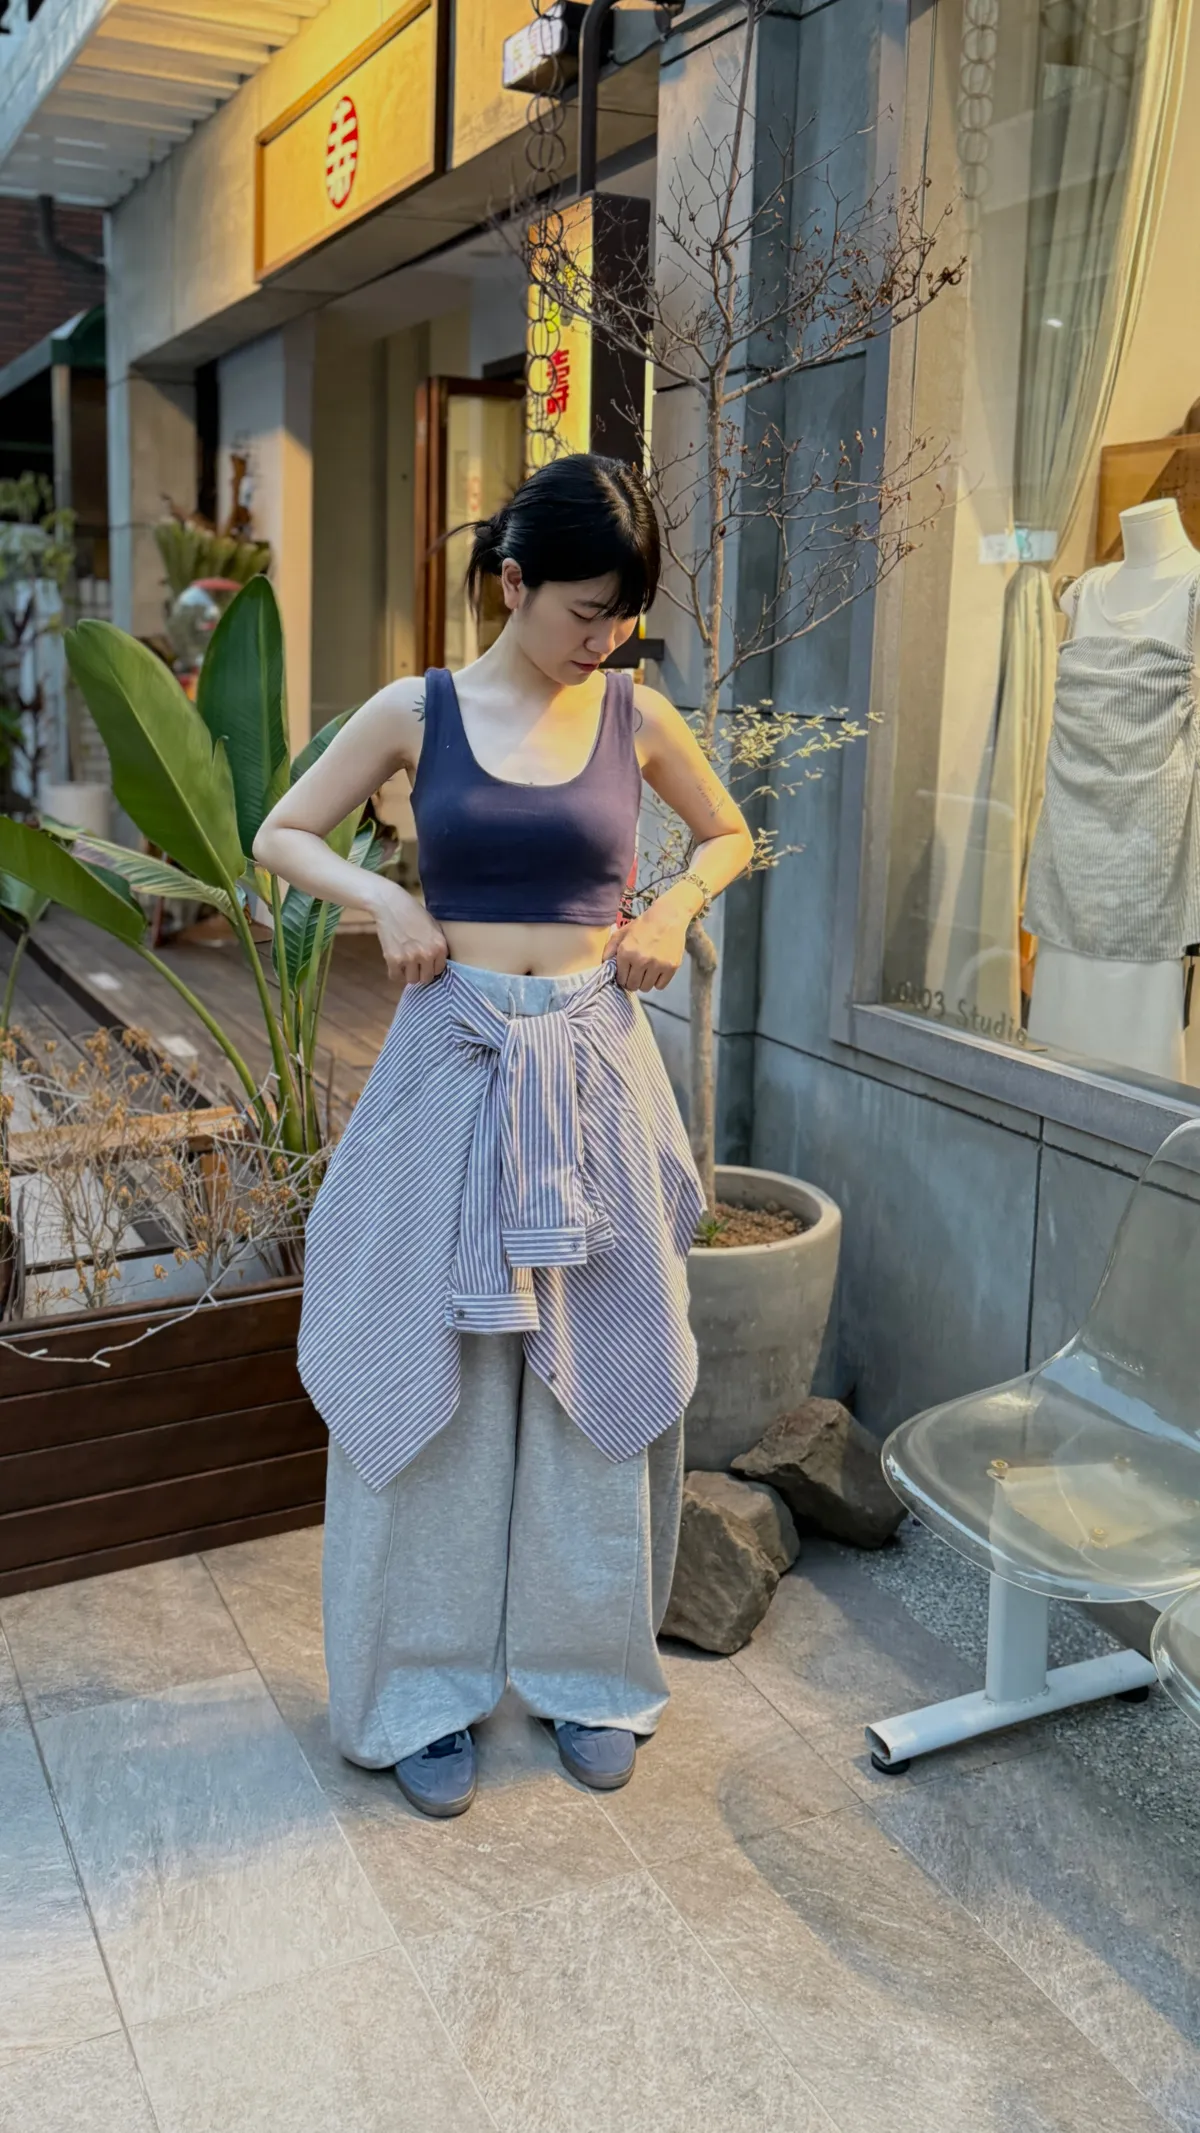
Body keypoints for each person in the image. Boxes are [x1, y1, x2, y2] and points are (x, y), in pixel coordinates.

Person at [253, 452, 753, 1817]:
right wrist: (383, 898)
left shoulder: (636, 714)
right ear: (514, 582)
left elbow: (726, 834)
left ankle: (589, 1675)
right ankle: (421, 1692)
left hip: (594, 1068)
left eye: (624, 618)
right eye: (587, 611)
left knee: (601, 1372)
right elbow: (283, 833)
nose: (606, 640)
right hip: (455, 1065)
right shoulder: (416, 711)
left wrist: (673, 907)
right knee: (441, 1377)